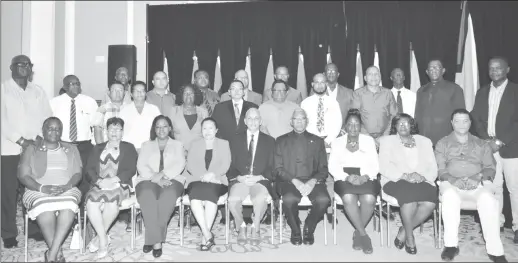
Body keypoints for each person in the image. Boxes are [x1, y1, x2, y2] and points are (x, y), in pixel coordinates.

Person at [435, 109, 507, 263]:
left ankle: (495, 250)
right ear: (451, 123)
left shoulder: (482, 143)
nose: (461, 124)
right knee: (449, 198)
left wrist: (478, 177)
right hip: (451, 183)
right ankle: (451, 245)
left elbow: (490, 167)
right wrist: (454, 180)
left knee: (489, 201)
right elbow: (440, 169)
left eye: (465, 120)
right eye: (457, 121)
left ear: (470, 123)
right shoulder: (442, 143)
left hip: (477, 183)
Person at [1, 54, 52, 247]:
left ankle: (33, 228)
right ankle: (8, 233)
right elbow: (2, 122)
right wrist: (20, 140)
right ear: (11, 67)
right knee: (8, 191)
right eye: (20, 64)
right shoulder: (3, 89)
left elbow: (47, 116)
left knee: (32, 189)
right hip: (9, 148)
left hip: (35, 148)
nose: (24, 67)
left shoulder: (38, 91)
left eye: (28, 64)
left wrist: (41, 136)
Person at [18, 117, 83, 262]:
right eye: (50, 128)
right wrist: (41, 188)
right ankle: (57, 252)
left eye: (58, 128)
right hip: (37, 188)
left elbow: (77, 173)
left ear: (61, 131)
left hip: (67, 187)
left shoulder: (71, 148)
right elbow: (23, 175)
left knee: (69, 205)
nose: (54, 131)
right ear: (43, 130)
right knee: (44, 207)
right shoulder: (32, 149)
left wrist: (68, 186)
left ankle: (52, 254)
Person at [471, 56, 518, 241]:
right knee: (493, 187)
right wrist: (486, 140)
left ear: (507, 69)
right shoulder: (482, 92)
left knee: (515, 188)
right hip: (489, 147)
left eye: (499, 68)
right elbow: (476, 118)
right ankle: (495, 224)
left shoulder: (515, 91)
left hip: (512, 147)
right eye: (491, 68)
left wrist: (501, 141)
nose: (494, 71)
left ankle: (517, 227)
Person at [379, 113, 438, 254]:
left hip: (421, 179)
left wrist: (423, 177)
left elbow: (433, 166)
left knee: (430, 202)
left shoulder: (425, 141)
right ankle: (410, 237)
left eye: (406, 123)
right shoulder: (387, 141)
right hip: (396, 179)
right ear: (395, 127)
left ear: (412, 125)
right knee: (409, 200)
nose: (403, 126)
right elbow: (383, 166)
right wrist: (404, 175)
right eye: (399, 123)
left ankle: (404, 229)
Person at [274, 108, 330, 246]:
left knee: (324, 199)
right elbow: (278, 168)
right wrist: (295, 182)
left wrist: (312, 181)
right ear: (291, 122)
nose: (299, 122)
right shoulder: (280, 140)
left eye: (302, 119)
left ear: (307, 121)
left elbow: (323, 169)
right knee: (289, 198)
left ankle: (309, 227)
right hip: (289, 180)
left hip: (312, 180)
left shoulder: (317, 141)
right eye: (296, 119)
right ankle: (295, 230)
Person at [84, 117, 138, 259]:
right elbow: (89, 169)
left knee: (111, 203)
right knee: (91, 202)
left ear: (122, 132)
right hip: (99, 185)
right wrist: (99, 181)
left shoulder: (129, 147)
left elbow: (131, 169)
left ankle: (98, 240)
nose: (114, 132)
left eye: (118, 129)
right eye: (111, 129)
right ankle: (103, 239)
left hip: (120, 184)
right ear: (106, 131)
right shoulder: (98, 148)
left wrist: (114, 180)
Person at [329, 108, 379, 254]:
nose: (353, 127)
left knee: (369, 199)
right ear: (345, 126)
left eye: (356, 124)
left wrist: (365, 176)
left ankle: (357, 233)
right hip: (343, 176)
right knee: (349, 198)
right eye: (350, 124)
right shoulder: (337, 142)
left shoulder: (369, 141)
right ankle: (364, 236)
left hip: (366, 175)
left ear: (361, 126)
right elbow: (333, 166)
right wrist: (346, 177)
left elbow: (375, 165)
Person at [136, 115, 186, 258]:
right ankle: (156, 241)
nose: (161, 129)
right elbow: (141, 165)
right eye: (158, 126)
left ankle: (150, 238)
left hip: (172, 179)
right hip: (147, 179)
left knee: (167, 198)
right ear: (154, 129)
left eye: (164, 126)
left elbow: (179, 163)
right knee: (147, 197)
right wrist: (155, 178)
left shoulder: (178, 145)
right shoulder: (146, 144)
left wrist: (163, 175)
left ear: (170, 128)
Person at [50, 75, 98, 217]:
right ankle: (65, 211)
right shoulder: (54, 103)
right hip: (64, 145)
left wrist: (95, 146)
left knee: (84, 178)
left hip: (84, 145)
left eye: (77, 83)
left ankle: (82, 213)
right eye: (71, 84)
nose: (75, 86)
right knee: (65, 177)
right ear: (64, 87)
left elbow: (95, 124)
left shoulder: (89, 101)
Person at [227, 108, 275, 244]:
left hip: (260, 180)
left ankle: (255, 226)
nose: (253, 121)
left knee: (260, 199)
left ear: (260, 121)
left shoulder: (270, 141)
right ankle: (241, 226)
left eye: (256, 118)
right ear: (244, 121)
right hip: (240, 180)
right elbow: (230, 163)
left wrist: (260, 177)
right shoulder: (234, 140)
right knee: (232, 200)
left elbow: (273, 165)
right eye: (250, 118)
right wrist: (238, 177)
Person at [301, 73, 342, 222]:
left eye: (322, 82)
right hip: (311, 145)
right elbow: (303, 124)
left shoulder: (333, 102)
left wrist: (329, 140)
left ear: (326, 84)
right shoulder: (305, 103)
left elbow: (338, 123)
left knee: (330, 177)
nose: (319, 85)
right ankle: (314, 207)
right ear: (312, 84)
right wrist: (314, 142)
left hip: (329, 144)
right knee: (313, 177)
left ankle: (330, 209)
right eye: (316, 82)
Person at [186, 117, 231, 250]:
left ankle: (204, 237)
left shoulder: (224, 143)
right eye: (204, 128)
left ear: (216, 130)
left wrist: (213, 175)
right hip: (197, 179)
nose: (207, 131)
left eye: (211, 128)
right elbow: (190, 165)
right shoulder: (195, 144)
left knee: (211, 196)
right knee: (194, 198)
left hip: (217, 180)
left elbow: (226, 164)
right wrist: (203, 176)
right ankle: (207, 234)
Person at [415, 59, 465, 145]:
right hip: (424, 139)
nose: (433, 70)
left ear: (443, 71)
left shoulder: (454, 89)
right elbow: (417, 115)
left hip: (446, 139)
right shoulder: (421, 90)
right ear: (427, 72)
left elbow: (460, 116)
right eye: (431, 68)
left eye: (437, 67)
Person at [351, 66, 397, 146]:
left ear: (380, 77)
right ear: (365, 78)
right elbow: (355, 117)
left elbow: (394, 116)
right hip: (363, 138)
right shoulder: (357, 94)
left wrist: (385, 135)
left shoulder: (388, 93)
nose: (374, 76)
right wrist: (368, 137)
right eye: (370, 74)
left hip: (386, 138)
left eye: (376, 74)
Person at [119, 80, 161, 151]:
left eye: (142, 90)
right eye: (136, 91)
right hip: (129, 148)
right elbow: (120, 130)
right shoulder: (124, 110)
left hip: (150, 148)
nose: (139, 93)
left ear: (145, 93)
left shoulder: (154, 109)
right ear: (131, 94)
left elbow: (159, 128)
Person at [169, 84, 208, 151]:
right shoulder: (174, 111)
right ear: (181, 96)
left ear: (195, 95)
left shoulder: (203, 111)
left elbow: (207, 133)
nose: (188, 96)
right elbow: (169, 132)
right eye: (185, 93)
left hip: (199, 152)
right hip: (178, 152)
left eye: (191, 93)